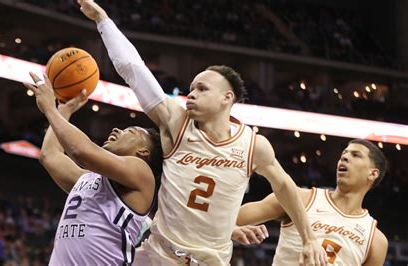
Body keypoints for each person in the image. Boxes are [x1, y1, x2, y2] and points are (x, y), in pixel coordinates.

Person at [76, 1, 327, 265]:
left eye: (202, 89)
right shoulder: (176, 123)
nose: (192, 94)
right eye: (192, 88)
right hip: (157, 256)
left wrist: (309, 238)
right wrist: (103, 20)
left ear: (226, 98)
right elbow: (133, 69)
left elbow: (286, 186)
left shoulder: (253, 145)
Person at [23, 73, 163, 265]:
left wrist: (49, 109)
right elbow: (50, 155)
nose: (116, 130)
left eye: (129, 131)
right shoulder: (87, 179)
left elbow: (80, 152)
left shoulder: (141, 173)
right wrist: (64, 110)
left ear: (143, 151)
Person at [234, 139, 389, 265]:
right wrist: (232, 229)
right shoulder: (299, 198)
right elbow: (227, 219)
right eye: (344, 154)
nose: (345, 157)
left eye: (356, 155)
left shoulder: (376, 240)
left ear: (373, 173)